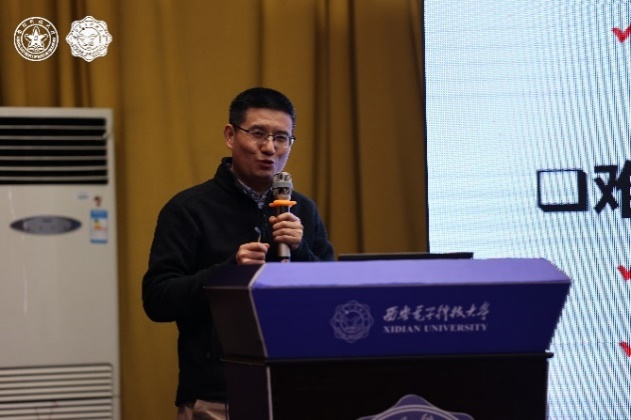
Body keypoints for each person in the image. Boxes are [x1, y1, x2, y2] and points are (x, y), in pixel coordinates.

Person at [142, 87, 335, 420]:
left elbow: (333, 298)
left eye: (281, 138)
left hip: (295, 386)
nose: (269, 148)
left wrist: (301, 250)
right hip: (218, 395)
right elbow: (158, 300)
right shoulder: (189, 209)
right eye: (258, 133)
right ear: (231, 136)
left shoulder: (302, 209)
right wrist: (229, 272)